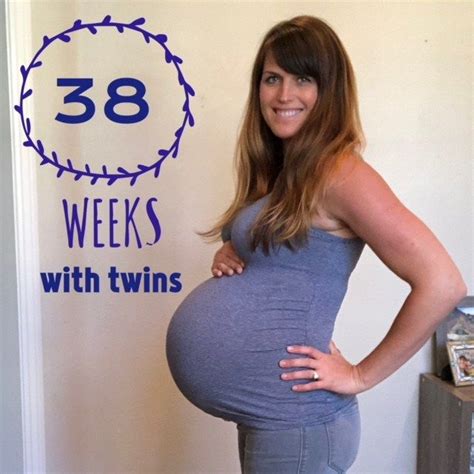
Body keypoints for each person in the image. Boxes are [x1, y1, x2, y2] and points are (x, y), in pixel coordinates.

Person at [166, 15, 466, 473]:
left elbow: (442, 282)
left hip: (299, 424)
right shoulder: (284, 171)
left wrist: (361, 374)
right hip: (276, 417)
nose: (284, 95)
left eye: (303, 79)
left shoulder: (340, 172)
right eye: (273, 79)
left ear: (330, 90)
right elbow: (288, 260)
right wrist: (234, 251)